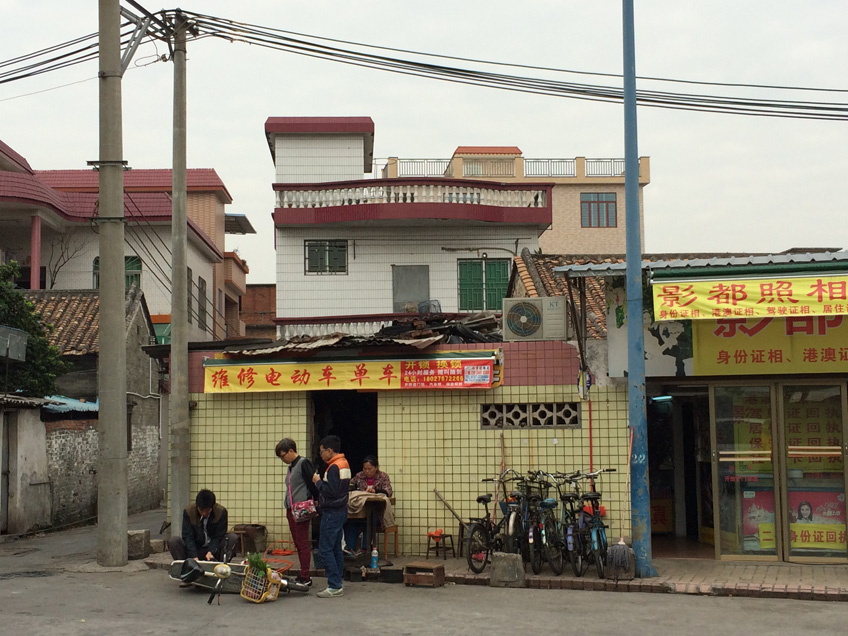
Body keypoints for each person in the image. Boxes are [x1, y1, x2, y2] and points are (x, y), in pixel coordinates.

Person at [276, 437, 319, 588]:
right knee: (297, 543)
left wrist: (317, 502)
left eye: (283, 455)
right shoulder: (291, 467)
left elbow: (313, 484)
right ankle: (303, 573)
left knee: (302, 543)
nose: (282, 459)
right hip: (291, 509)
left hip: (301, 509)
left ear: (291, 451)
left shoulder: (303, 463)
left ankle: (305, 576)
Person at [312, 435, 350, 598]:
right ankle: (338, 581)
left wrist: (318, 481)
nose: (321, 455)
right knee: (335, 548)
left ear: (329, 450)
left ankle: (334, 585)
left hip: (332, 512)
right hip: (341, 511)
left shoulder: (334, 467)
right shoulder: (344, 464)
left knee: (325, 549)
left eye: (321, 452)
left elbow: (331, 491)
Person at [168, 489, 237, 565]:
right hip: (195, 549)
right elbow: (188, 536)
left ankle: (221, 568)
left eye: (207, 511)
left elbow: (218, 536)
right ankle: (185, 568)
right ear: (197, 506)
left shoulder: (221, 512)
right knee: (174, 541)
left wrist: (211, 551)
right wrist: (194, 556)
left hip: (214, 550)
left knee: (232, 538)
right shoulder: (188, 512)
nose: (204, 513)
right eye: (201, 510)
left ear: (212, 507)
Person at [345, 455, 393, 553]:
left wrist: (375, 491)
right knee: (350, 522)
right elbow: (350, 486)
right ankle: (350, 550)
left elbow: (388, 492)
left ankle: (365, 550)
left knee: (370, 521)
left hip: (377, 512)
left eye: (370, 469)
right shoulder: (359, 476)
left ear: (376, 467)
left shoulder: (383, 476)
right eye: (365, 469)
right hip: (360, 510)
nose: (367, 471)